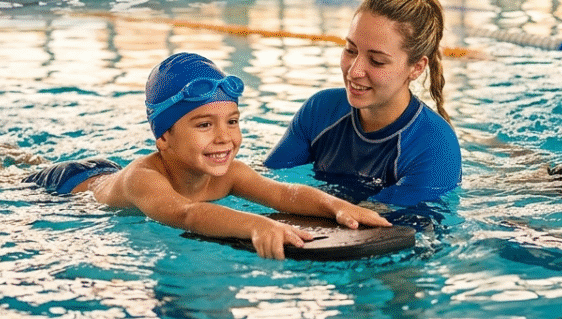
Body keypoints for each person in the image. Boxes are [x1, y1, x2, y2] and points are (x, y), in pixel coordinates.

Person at [22, 52, 391, 260]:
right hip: (66, 185)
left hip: (105, 169)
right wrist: (255, 224)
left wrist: (336, 206)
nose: (224, 138)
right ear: (164, 137)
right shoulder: (144, 178)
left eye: (232, 121)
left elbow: (284, 194)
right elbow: (187, 213)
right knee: (17, 170)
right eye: (203, 125)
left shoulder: (228, 174)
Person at [265, 0, 461, 206]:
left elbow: (372, 225)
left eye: (376, 61)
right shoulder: (320, 111)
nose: (354, 71)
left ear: (416, 68)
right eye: (350, 50)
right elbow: (264, 185)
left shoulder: (435, 146)